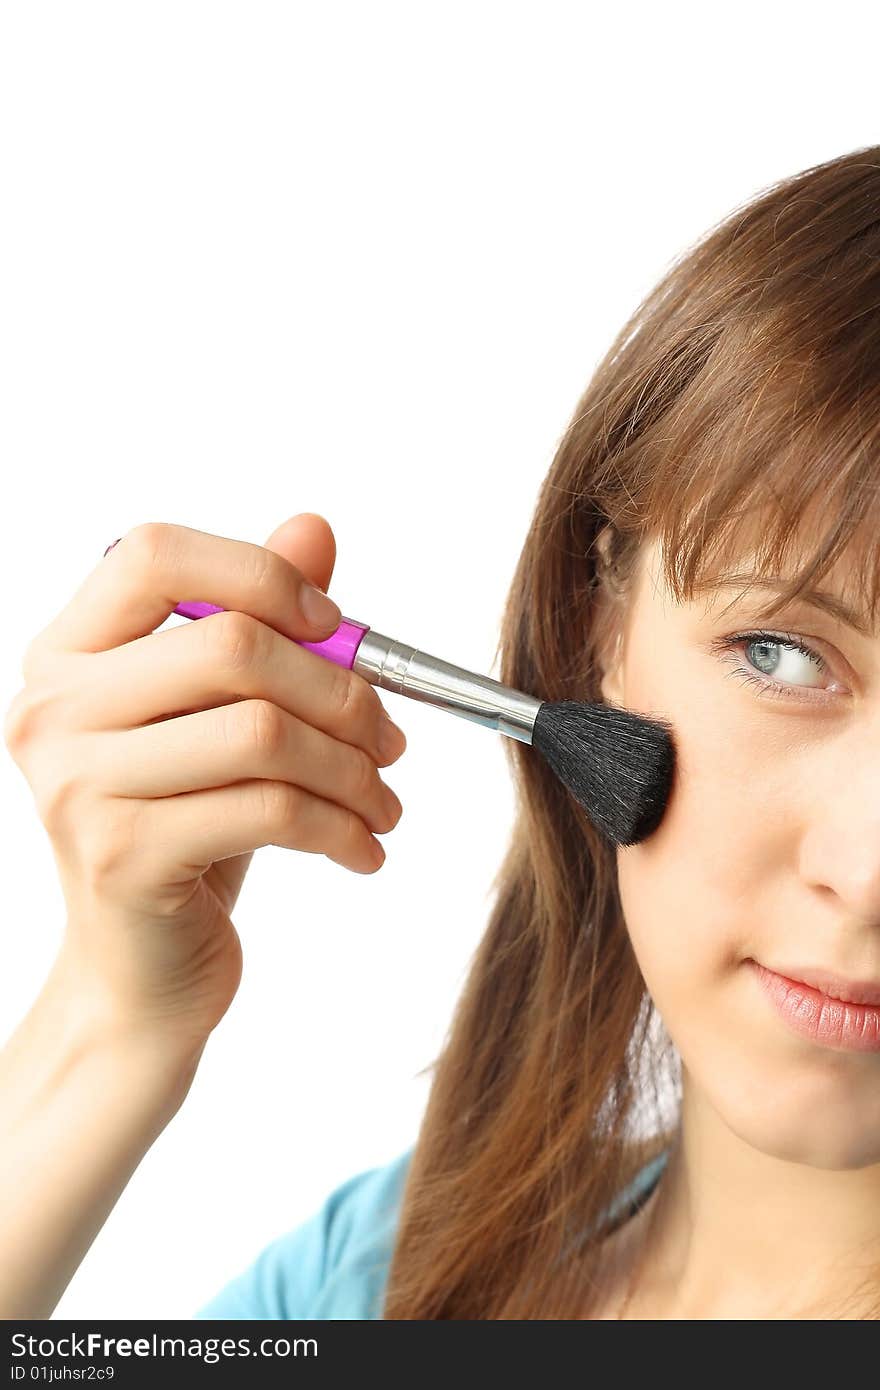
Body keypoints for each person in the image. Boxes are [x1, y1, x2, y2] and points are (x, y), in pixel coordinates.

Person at [4, 142, 880, 1321]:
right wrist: (109, 1022)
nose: (866, 874)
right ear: (601, 628)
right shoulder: (364, 1279)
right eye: (778, 653)